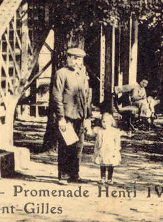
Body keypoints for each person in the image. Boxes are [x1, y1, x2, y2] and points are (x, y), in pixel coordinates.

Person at [51, 47, 92, 184]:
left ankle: (74, 174)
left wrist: (87, 117)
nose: (76, 62)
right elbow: (57, 96)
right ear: (67, 58)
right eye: (74, 58)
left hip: (80, 116)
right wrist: (61, 117)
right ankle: (63, 176)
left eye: (79, 59)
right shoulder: (61, 73)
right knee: (65, 146)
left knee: (78, 147)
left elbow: (86, 97)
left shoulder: (82, 75)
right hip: (67, 116)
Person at [92, 112, 122, 184]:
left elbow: (117, 142)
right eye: (103, 122)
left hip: (111, 150)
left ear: (111, 122)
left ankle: (109, 178)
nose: (105, 123)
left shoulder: (115, 131)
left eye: (107, 122)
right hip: (102, 150)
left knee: (110, 164)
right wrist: (96, 150)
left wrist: (116, 150)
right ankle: (102, 177)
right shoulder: (100, 131)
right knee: (102, 164)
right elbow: (97, 142)